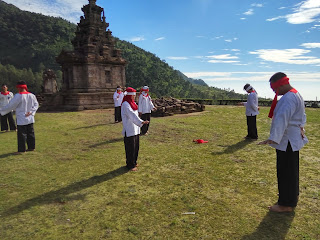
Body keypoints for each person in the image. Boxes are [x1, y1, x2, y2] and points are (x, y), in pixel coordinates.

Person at [259, 72, 308, 213]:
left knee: (285, 170)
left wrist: (273, 138)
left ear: (280, 84)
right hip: (290, 139)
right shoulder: (295, 94)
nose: (274, 91)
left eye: (274, 88)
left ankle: (286, 204)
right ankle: (291, 196)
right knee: (291, 170)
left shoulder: (288, 98)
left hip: (286, 140)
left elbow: (282, 119)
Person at [0, 81, 39, 154]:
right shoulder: (32, 95)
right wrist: (31, 112)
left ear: (19, 88)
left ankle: (22, 150)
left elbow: (10, 106)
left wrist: (1, 110)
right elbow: (36, 105)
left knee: (22, 134)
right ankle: (31, 147)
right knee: (30, 133)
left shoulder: (18, 96)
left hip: (22, 117)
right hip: (30, 117)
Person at [121, 87, 149, 171]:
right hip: (129, 129)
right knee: (130, 148)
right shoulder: (126, 104)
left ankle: (134, 161)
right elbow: (131, 115)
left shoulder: (133, 103)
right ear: (130, 96)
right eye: (133, 95)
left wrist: (140, 122)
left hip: (135, 129)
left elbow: (135, 115)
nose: (134, 97)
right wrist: (141, 122)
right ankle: (130, 164)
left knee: (136, 147)